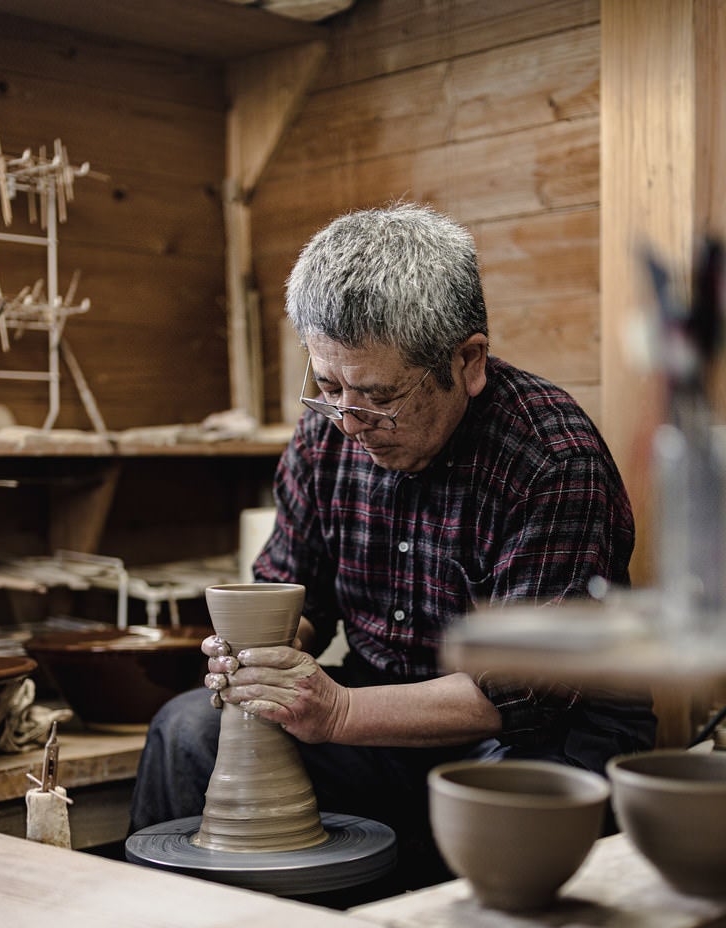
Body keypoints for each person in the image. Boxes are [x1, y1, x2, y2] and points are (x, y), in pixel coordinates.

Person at [131, 202, 656, 890]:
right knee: (189, 729)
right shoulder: (328, 434)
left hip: (539, 732)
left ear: (466, 362)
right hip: (384, 711)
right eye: (328, 386)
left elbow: (523, 693)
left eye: (378, 398)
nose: (349, 421)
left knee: (500, 812)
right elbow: (299, 593)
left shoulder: (550, 457)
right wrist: (259, 659)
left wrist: (339, 711)